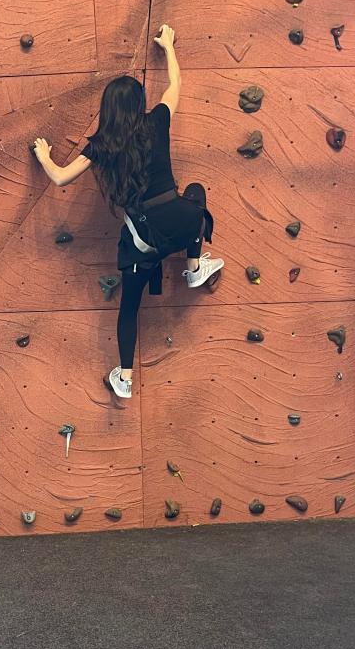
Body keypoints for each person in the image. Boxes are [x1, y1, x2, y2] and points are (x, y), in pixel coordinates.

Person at [31, 24, 223, 400]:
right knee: (196, 194)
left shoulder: (101, 146)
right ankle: (194, 268)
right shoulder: (156, 122)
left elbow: (60, 177)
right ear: (139, 104)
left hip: (143, 243)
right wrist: (168, 46)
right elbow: (175, 84)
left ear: (107, 109)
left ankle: (125, 378)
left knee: (130, 308)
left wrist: (43, 155)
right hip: (183, 224)